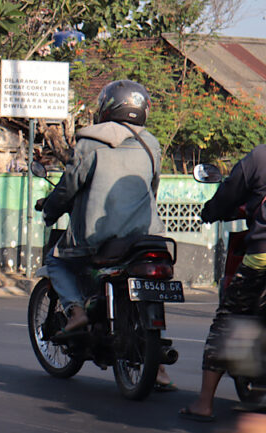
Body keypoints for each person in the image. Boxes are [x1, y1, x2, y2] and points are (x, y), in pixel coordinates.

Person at [38, 80, 164, 335]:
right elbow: (152, 188)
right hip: (146, 236)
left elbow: (67, 187)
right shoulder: (150, 144)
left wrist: (51, 210)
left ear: (107, 106)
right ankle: (157, 366)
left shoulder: (89, 142)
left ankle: (76, 311)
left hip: (96, 238)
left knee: (56, 260)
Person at [180, 145, 266, 423]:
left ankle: (205, 403)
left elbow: (230, 192)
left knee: (230, 320)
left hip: (262, 257)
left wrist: (210, 211)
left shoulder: (260, 157)